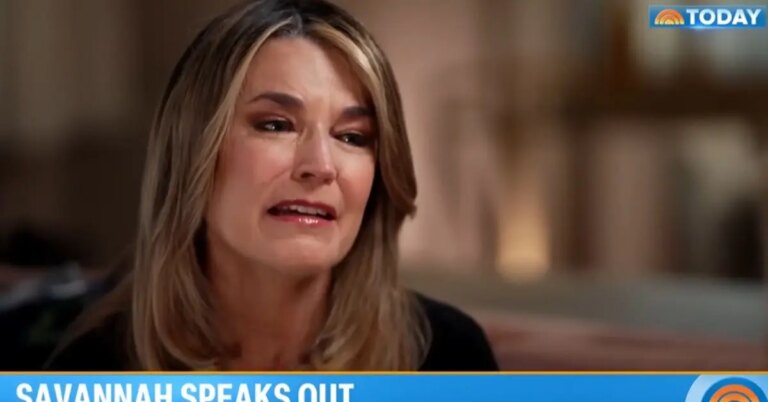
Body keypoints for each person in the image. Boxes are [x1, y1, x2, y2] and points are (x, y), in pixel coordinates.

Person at [45, 0, 499, 371]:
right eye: (276, 125)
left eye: (352, 137)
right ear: (194, 153)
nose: (320, 166)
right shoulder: (94, 368)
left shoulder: (445, 357)